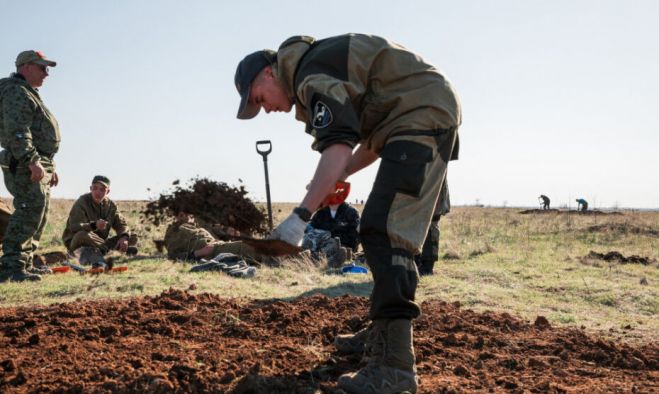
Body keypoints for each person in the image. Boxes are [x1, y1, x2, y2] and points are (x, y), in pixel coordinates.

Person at [235, 33, 460, 393]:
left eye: (259, 99)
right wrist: (334, 179)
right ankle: (382, 332)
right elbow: (368, 141)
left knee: (386, 232)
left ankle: (395, 366)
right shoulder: (320, 66)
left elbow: (339, 145)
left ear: (267, 74)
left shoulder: (310, 75)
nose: (265, 109)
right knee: (379, 228)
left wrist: (299, 218)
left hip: (422, 115)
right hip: (415, 114)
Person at [0, 50, 60, 283]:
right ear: (26, 67)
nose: (46, 73)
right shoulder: (16, 92)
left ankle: (24, 262)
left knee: (38, 213)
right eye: (42, 68)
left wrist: (48, 164)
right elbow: (18, 132)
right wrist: (32, 161)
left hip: (38, 161)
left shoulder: (27, 93)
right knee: (27, 212)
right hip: (25, 162)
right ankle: (10, 266)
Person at [62, 175, 138, 256]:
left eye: (102, 189)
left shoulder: (111, 206)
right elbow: (74, 226)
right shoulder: (82, 202)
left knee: (132, 236)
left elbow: (121, 225)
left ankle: (104, 250)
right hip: (78, 241)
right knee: (82, 235)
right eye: (95, 188)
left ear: (107, 191)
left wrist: (124, 238)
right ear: (90, 188)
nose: (98, 192)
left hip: (99, 242)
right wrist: (94, 225)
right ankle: (110, 251)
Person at [164, 210, 264, 262]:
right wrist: (198, 253)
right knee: (245, 246)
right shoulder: (174, 232)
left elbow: (214, 227)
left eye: (189, 215)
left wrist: (226, 230)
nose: (186, 217)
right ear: (176, 217)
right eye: (181, 215)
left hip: (218, 245)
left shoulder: (199, 224)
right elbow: (172, 256)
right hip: (211, 251)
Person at [415, 179, 450, 276]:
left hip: (434, 189)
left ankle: (426, 267)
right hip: (417, 189)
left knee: (431, 225)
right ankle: (416, 264)